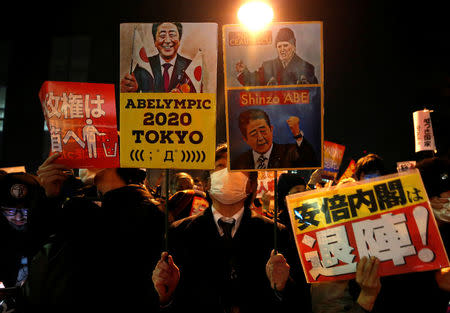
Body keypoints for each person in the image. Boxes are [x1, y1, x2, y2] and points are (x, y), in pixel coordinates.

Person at [152, 144, 310, 312]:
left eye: (238, 167)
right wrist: (165, 296)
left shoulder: (277, 233)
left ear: (251, 185)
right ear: (206, 183)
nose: (228, 172)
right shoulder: (179, 232)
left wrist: (283, 286)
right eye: (220, 166)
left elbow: (300, 300)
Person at [20, 153, 165, 312]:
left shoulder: (139, 213)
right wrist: (48, 197)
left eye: (95, 152)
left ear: (116, 162)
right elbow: (38, 251)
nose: (84, 160)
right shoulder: (89, 206)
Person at [231, 108, 318, 170]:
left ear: (271, 129)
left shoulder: (289, 152)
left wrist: (297, 134)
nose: (260, 138)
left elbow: (311, 160)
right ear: (245, 139)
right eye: (254, 134)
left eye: (263, 131)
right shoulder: (239, 163)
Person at [120, 22, 195, 93]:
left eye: (172, 35)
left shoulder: (190, 66)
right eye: (162, 36)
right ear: (155, 41)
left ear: (179, 41)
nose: (167, 41)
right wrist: (129, 90)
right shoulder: (143, 66)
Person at [236, 27, 318, 86]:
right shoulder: (267, 66)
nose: (282, 50)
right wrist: (243, 71)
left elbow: (314, 97)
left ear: (293, 47)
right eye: (279, 46)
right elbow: (253, 81)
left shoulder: (307, 68)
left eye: (285, 45)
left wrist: (308, 89)